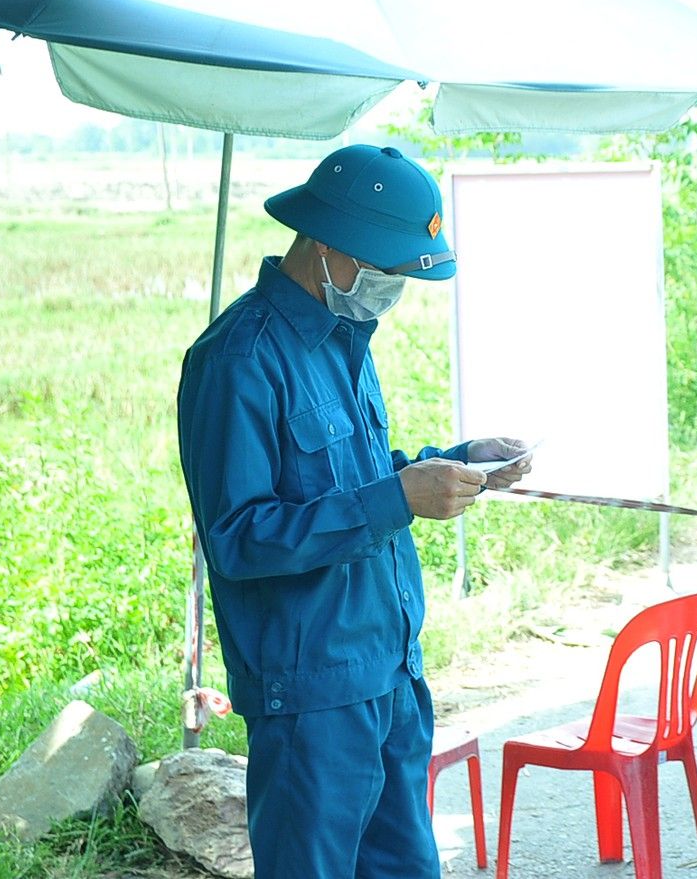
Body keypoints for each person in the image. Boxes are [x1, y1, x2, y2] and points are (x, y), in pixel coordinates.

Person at [177, 144, 531, 879]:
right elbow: (239, 538)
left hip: (392, 676)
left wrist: (460, 462)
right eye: (390, 271)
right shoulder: (237, 360)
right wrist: (397, 498)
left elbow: (353, 481)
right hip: (311, 698)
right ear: (332, 244)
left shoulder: (346, 340)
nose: (393, 288)